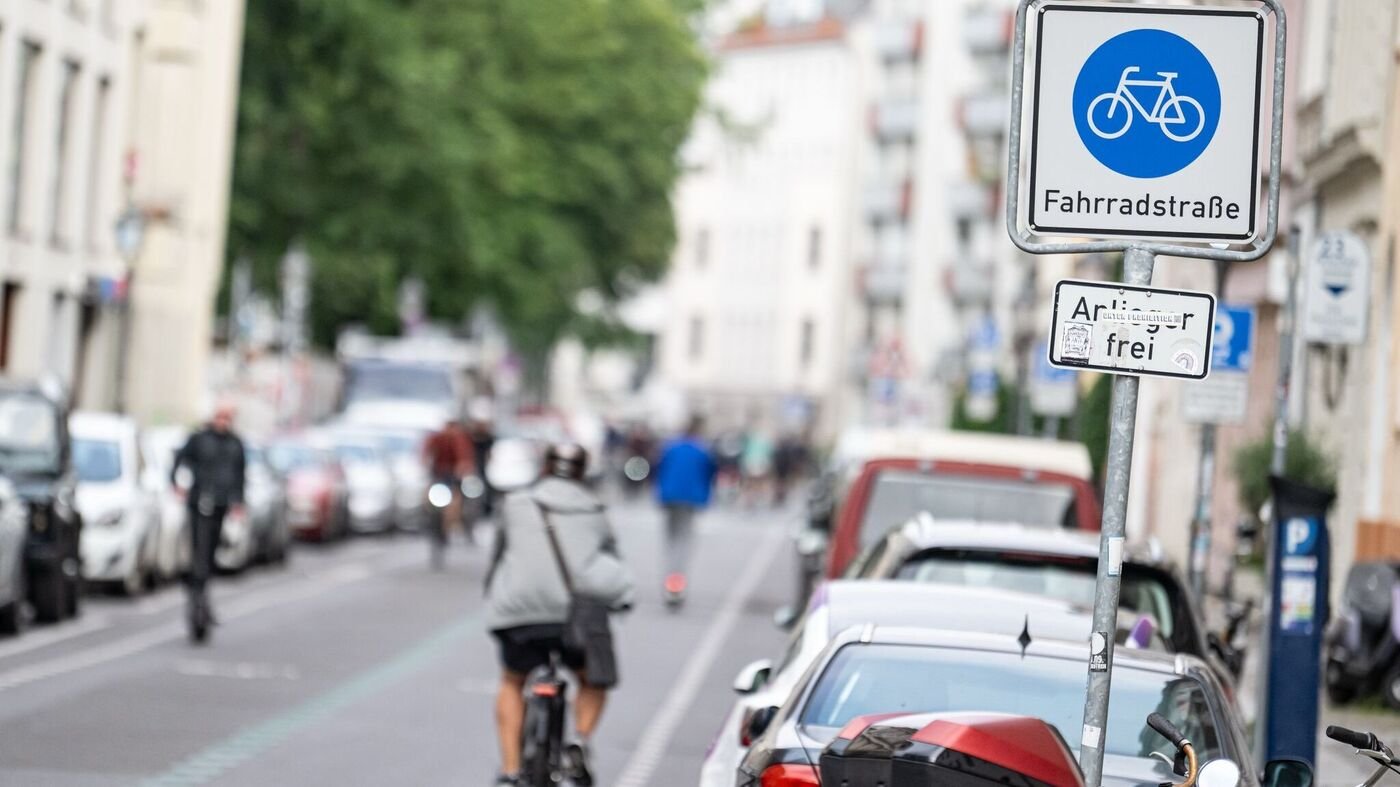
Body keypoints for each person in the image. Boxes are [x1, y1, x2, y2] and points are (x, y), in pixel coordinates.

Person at [485, 443, 633, 786]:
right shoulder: (595, 510)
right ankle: (578, 741)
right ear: (583, 471)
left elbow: (498, 558)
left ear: (545, 467)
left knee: (512, 680)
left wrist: (495, 598)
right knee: (593, 677)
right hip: (578, 619)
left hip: (520, 616)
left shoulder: (515, 504)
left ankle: (509, 772)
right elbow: (613, 564)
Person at [171, 403, 246, 642]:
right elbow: (178, 461)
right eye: (220, 417)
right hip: (199, 505)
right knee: (200, 556)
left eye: (227, 417)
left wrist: (238, 502)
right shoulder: (199, 440)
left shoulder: (235, 444)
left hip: (221, 507)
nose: (223, 421)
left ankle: (201, 595)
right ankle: (198, 604)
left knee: (211, 556)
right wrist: (176, 485)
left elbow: (240, 475)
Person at [653, 416, 716, 608]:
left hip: (670, 496)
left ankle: (671, 581)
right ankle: (676, 583)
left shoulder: (670, 447)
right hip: (691, 499)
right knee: (684, 542)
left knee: (671, 540)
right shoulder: (703, 450)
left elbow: (658, 468)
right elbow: (710, 474)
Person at [421, 417, 475, 565]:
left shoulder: (460, 440)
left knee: (454, 504)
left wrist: (462, 469)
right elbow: (425, 453)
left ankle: (452, 525)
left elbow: (465, 458)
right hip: (438, 477)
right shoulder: (436, 438)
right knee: (426, 499)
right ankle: (428, 521)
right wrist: (424, 463)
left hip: (452, 479)